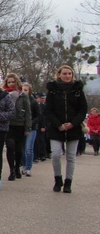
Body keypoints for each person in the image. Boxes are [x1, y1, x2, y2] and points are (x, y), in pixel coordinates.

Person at [45, 65, 88, 193]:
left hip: (73, 128)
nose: (67, 76)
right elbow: (48, 110)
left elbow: (82, 110)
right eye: (64, 73)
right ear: (59, 75)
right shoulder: (52, 91)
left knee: (71, 156)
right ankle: (58, 179)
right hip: (56, 128)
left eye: (69, 73)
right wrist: (59, 125)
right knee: (56, 154)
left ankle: (68, 182)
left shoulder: (78, 91)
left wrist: (73, 123)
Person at [3, 73, 31, 181]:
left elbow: (28, 112)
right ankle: (11, 170)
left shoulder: (23, 95)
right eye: (9, 82)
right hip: (8, 124)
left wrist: (27, 128)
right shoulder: (4, 94)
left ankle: (17, 167)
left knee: (19, 149)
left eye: (13, 82)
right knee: (10, 146)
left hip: (20, 124)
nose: (11, 84)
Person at [21, 83, 40, 176]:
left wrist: (31, 123)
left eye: (26, 90)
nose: (24, 92)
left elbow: (38, 115)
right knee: (22, 148)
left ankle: (28, 168)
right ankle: (23, 165)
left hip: (31, 128)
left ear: (29, 91)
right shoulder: (19, 101)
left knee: (29, 148)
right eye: (22, 90)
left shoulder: (34, 102)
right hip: (21, 127)